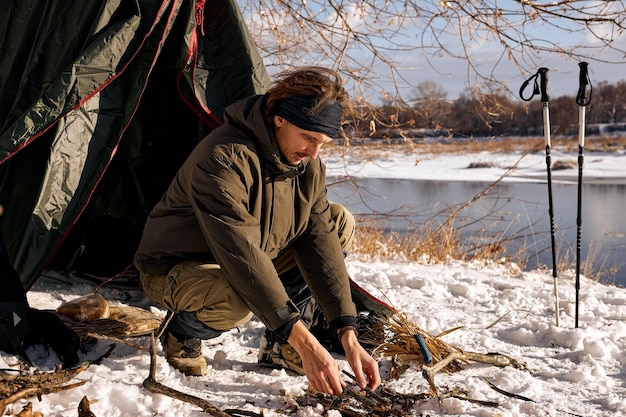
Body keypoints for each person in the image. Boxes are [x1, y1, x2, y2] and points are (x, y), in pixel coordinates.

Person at [134, 67, 381, 394]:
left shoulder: (307, 166)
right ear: (280, 118)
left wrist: (345, 329)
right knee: (236, 300)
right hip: (177, 268)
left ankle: (281, 344)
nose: (314, 153)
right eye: (309, 138)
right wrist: (308, 346)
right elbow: (240, 256)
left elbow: (319, 242)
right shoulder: (224, 157)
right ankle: (182, 333)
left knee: (337, 221)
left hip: (252, 254)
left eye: (322, 143)